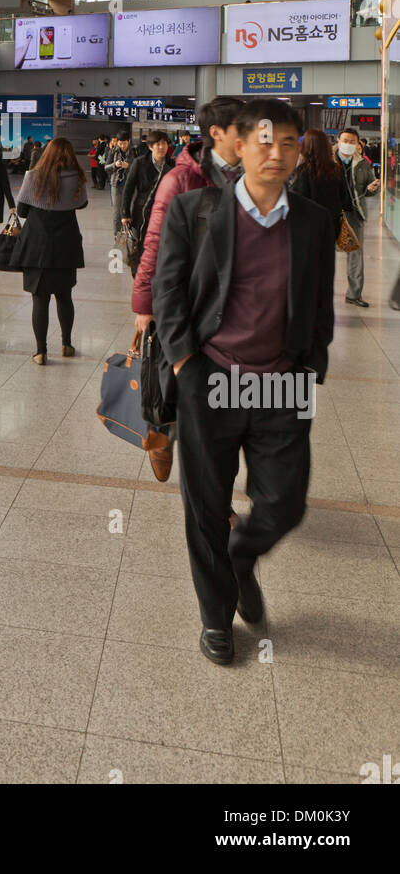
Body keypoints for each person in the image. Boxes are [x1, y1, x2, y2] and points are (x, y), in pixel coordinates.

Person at [153, 98, 335, 667]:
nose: (276, 152)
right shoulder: (194, 212)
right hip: (210, 380)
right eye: (263, 140)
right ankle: (215, 617)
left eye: (288, 142)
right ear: (237, 144)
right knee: (205, 505)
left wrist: (311, 366)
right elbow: (168, 292)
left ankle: (242, 554)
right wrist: (185, 365)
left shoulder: (311, 221)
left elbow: (318, 302)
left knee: (284, 503)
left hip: (281, 384)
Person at [131, 96, 244, 481]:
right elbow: (154, 243)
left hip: (232, 304)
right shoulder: (180, 179)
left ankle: (215, 497)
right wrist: (144, 304)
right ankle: (162, 429)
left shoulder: (253, 175)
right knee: (174, 376)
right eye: (241, 128)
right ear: (216, 134)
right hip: (185, 298)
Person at [11, 137, 88, 364]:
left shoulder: (33, 176)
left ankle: (41, 351)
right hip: (66, 245)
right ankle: (66, 344)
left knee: (40, 299)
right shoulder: (77, 178)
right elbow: (81, 204)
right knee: (65, 297)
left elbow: (23, 211)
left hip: (37, 246)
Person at [120, 129, 175, 275]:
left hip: (165, 214)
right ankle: (138, 275)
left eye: (164, 143)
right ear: (150, 146)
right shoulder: (139, 163)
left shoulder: (173, 165)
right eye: (157, 144)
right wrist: (125, 213)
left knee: (161, 247)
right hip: (142, 213)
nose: (161, 147)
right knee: (140, 245)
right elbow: (128, 189)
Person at [335, 128, 379, 306]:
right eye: (345, 140)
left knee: (355, 255)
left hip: (354, 213)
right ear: (338, 140)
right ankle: (318, 293)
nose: (347, 144)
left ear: (358, 144)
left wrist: (371, 190)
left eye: (352, 141)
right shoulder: (326, 161)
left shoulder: (363, 164)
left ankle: (354, 294)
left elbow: (369, 189)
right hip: (330, 214)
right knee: (322, 253)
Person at [288, 129, 344, 239]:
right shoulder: (336, 169)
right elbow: (344, 197)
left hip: (309, 226)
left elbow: (297, 199)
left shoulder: (303, 170)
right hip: (331, 224)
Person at [105, 132, 132, 237]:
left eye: (124, 143)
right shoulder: (113, 151)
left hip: (130, 185)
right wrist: (115, 165)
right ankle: (117, 236)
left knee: (129, 210)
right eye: (120, 143)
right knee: (117, 212)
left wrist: (129, 166)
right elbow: (106, 167)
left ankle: (129, 235)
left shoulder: (134, 151)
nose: (122, 146)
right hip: (116, 184)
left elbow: (139, 167)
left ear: (128, 141)